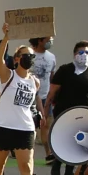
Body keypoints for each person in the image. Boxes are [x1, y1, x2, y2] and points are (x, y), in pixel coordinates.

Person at [0, 24, 47, 175]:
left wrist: (40, 114)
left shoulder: (35, 81)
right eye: (24, 54)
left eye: (31, 54)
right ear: (16, 59)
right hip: (4, 127)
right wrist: (6, 37)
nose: (28, 57)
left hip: (25, 129)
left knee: (27, 168)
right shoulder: (8, 75)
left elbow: (33, 101)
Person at [46, 41, 88, 175]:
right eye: (81, 52)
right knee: (64, 139)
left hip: (84, 113)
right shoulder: (65, 70)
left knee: (77, 142)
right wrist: (46, 110)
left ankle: (69, 171)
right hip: (64, 112)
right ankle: (57, 163)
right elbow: (52, 91)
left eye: (87, 53)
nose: (84, 55)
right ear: (75, 54)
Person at [30, 35, 57, 164]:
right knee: (31, 127)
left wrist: (53, 95)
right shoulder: (30, 55)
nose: (50, 42)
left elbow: (52, 77)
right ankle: (25, 152)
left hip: (45, 97)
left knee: (45, 125)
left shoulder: (51, 57)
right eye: (47, 39)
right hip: (30, 97)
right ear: (40, 40)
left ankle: (48, 154)